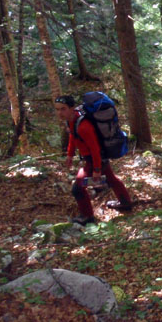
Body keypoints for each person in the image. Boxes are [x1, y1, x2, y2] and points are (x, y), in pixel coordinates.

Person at [55, 95, 133, 225]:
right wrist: (70, 154)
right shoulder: (72, 120)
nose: (59, 113)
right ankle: (125, 203)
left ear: (72, 108)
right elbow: (73, 137)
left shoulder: (83, 126)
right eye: (57, 109)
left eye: (63, 109)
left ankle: (87, 216)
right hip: (94, 159)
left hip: (95, 160)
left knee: (77, 189)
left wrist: (96, 169)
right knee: (111, 179)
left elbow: (95, 149)